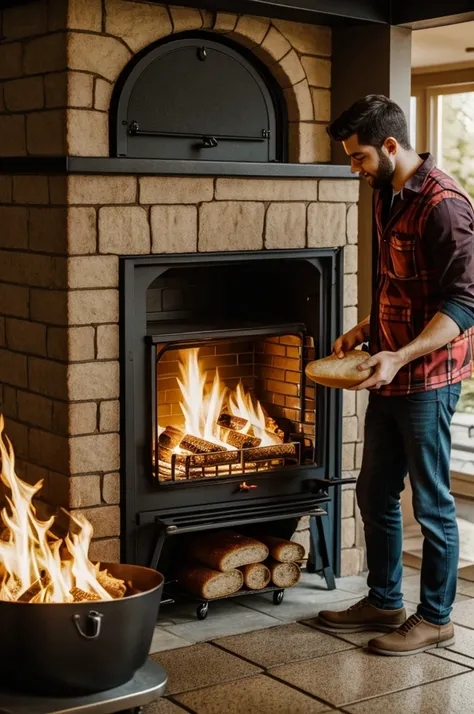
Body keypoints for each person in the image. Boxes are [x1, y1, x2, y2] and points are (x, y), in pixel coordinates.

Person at [318, 94, 474, 655]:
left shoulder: (446, 206)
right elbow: (405, 283)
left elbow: (462, 304)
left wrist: (400, 355)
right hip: (387, 368)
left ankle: (436, 617)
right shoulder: (388, 194)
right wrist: (367, 327)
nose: (354, 169)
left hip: (426, 378)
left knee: (431, 505)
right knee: (374, 491)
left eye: (358, 158)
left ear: (389, 146)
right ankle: (384, 599)